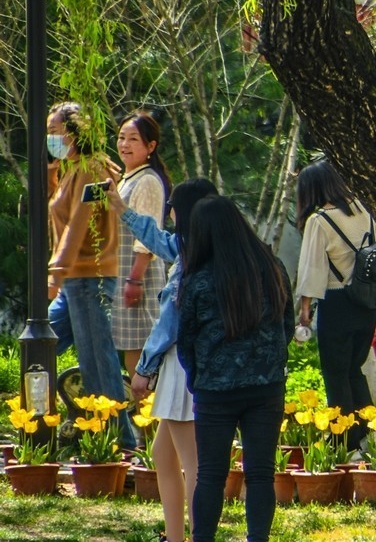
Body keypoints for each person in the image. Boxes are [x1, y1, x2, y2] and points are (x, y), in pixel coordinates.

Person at [105, 176, 217, 542]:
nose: (168, 212)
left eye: (173, 207)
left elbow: (169, 322)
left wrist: (144, 368)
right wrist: (122, 210)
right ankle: (175, 536)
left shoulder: (192, 261)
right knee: (163, 454)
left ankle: (197, 535)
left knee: (191, 462)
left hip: (180, 368)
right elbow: (160, 241)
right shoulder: (204, 248)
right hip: (187, 366)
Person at [177, 195, 292, 542]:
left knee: (210, 474)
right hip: (266, 385)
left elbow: (186, 339)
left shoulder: (198, 280)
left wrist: (197, 377)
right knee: (261, 474)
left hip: (215, 389)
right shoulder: (271, 268)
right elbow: (284, 322)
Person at [45, 101, 137, 449]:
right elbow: (54, 211)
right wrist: (51, 171)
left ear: (73, 132)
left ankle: (121, 440)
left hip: (89, 277)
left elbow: (78, 226)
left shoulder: (93, 167)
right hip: (73, 281)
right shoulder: (69, 169)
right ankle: (52, 422)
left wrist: (55, 273)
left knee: (98, 359)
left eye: (54, 132)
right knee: (40, 347)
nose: (49, 138)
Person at [295, 159, 376, 448]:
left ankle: (342, 439)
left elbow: (312, 268)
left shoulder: (319, 221)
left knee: (335, 372)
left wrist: (305, 308)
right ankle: (363, 433)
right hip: (367, 301)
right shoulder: (365, 212)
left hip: (337, 302)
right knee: (354, 368)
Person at [112, 111, 172, 383]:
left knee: (139, 343)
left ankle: (147, 415)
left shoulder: (147, 180)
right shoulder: (127, 178)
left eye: (133, 139)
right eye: (122, 137)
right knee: (129, 344)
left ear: (150, 146)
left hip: (138, 274)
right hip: (124, 271)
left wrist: (134, 279)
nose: (125, 144)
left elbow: (147, 236)